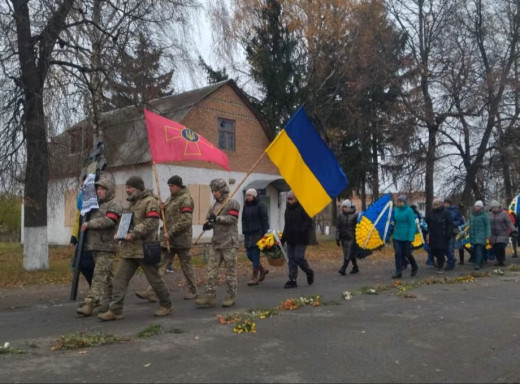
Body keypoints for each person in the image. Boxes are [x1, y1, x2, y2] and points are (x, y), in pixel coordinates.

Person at [97, 176, 173, 321]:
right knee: (119, 280)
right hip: (129, 250)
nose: (127, 190)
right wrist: (119, 234)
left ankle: (166, 304)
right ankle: (115, 310)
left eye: (129, 187)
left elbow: (151, 221)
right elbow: (125, 223)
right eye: (126, 187)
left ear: (138, 188)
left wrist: (134, 234)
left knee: (155, 279)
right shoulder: (131, 204)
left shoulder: (150, 202)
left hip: (144, 249)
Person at [135, 175, 198, 302]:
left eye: (172, 186)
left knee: (186, 267)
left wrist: (171, 232)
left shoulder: (186, 199)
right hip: (168, 240)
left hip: (181, 240)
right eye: (169, 186)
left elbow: (186, 220)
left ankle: (193, 290)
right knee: (161, 265)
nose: (170, 188)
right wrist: (161, 210)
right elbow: (166, 218)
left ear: (179, 186)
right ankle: (151, 291)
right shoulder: (170, 199)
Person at [76, 175, 122, 316]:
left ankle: (91, 302)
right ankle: (111, 304)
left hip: (107, 246)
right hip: (96, 246)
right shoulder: (96, 205)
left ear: (109, 190)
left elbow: (110, 221)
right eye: (98, 189)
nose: (99, 191)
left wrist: (89, 224)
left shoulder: (114, 204)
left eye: (103, 189)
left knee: (99, 276)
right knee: (107, 278)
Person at [195, 179, 241, 308]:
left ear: (223, 190)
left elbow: (232, 219)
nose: (214, 193)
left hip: (229, 243)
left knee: (230, 273)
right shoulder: (213, 206)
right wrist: (208, 224)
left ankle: (230, 295)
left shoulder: (232, 203)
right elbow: (210, 219)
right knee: (211, 271)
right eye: (212, 191)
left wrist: (218, 218)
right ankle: (210, 296)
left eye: (216, 191)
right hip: (216, 243)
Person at [281, 190, 314, 288]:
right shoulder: (287, 210)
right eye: (287, 199)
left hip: (301, 238)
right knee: (291, 259)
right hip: (290, 238)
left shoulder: (303, 208)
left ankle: (309, 271)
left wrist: (301, 230)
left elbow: (308, 221)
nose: (288, 201)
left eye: (290, 199)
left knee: (299, 257)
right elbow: (286, 225)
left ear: (296, 199)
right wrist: (283, 238)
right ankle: (292, 279)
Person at [241, 188, 269, 286]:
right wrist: (244, 229)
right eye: (246, 195)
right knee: (249, 255)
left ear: (254, 196)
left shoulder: (260, 205)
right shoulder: (246, 206)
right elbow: (243, 219)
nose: (247, 197)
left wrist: (265, 233)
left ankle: (254, 276)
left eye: (249, 195)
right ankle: (262, 270)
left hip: (258, 233)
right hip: (248, 233)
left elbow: (265, 219)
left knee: (255, 254)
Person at [391, 195, 418, 279]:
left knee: (407, 253)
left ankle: (414, 266)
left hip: (406, 236)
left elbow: (412, 224)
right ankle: (398, 272)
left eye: (400, 201)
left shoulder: (409, 211)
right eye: (398, 201)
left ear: (404, 202)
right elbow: (392, 220)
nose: (399, 203)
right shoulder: (395, 210)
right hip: (397, 236)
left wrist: (411, 237)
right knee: (398, 253)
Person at [425, 198, 454, 273]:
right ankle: (441, 262)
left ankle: (440, 266)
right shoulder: (431, 212)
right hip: (433, 235)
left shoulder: (446, 213)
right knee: (434, 250)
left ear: (440, 205)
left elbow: (450, 224)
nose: (435, 206)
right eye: (433, 205)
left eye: (436, 205)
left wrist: (448, 234)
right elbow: (426, 221)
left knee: (441, 251)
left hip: (442, 235)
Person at [336, 199, 359, 275]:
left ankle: (343, 269)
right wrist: (337, 238)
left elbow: (358, 227)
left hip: (352, 237)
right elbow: (338, 227)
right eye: (343, 207)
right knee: (348, 253)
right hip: (343, 237)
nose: (344, 208)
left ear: (349, 207)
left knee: (348, 253)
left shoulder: (355, 215)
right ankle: (355, 267)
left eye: (346, 207)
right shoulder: (340, 215)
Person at [489, 200, 513, 267]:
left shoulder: (504, 214)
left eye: (496, 207)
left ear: (499, 207)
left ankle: (502, 260)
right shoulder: (490, 214)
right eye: (493, 208)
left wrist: (513, 229)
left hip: (502, 233)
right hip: (493, 234)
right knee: (495, 248)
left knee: (501, 247)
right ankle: (498, 261)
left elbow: (509, 222)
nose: (494, 209)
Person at [443, 198, 466, 270]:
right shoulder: (443, 211)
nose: (445, 204)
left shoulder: (455, 211)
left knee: (450, 247)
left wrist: (452, 223)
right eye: (445, 203)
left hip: (452, 231)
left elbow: (460, 221)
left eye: (447, 203)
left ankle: (451, 262)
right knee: (445, 247)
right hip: (444, 231)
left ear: (450, 203)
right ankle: (451, 259)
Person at [468, 200, 491, 270]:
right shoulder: (472, 215)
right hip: (473, 235)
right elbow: (469, 224)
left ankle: (477, 264)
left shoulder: (484, 215)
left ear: (481, 207)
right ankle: (481, 261)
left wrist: (488, 235)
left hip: (481, 235)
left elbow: (487, 225)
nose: (477, 207)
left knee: (479, 249)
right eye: (476, 206)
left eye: (479, 206)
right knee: (475, 249)